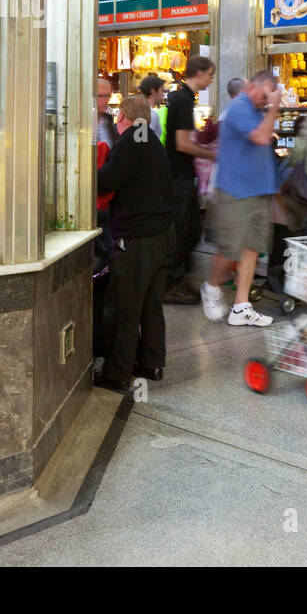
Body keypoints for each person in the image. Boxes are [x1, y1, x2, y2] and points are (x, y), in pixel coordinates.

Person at [93, 95, 175, 392]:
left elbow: (107, 181)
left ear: (124, 116)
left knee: (125, 305)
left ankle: (117, 374)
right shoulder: (152, 140)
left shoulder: (133, 139)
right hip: (163, 235)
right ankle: (152, 364)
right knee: (151, 305)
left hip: (138, 238)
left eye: (117, 117)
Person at [201, 70, 280, 327]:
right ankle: (211, 286)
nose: (265, 99)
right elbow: (260, 137)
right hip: (235, 191)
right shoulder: (239, 106)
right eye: (263, 94)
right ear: (251, 86)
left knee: (252, 248)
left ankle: (241, 306)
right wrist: (274, 107)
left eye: (269, 96)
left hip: (257, 190)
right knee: (232, 248)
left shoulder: (258, 110)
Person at [163, 57, 216, 304]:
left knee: (192, 229)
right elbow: (182, 144)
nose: (211, 80)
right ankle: (172, 283)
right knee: (183, 230)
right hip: (179, 176)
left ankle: (180, 278)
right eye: (210, 75)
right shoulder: (183, 100)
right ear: (199, 74)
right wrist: (211, 154)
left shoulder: (182, 98)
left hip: (180, 175)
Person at [138, 73, 167, 143]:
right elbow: (142, 140)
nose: (163, 94)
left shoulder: (140, 110)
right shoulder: (151, 113)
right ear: (153, 91)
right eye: (162, 90)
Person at [96, 77, 116, 149]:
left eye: (108, 96)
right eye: (101, 96)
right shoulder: (81, 123)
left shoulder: (108, 120)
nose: (106, 100)